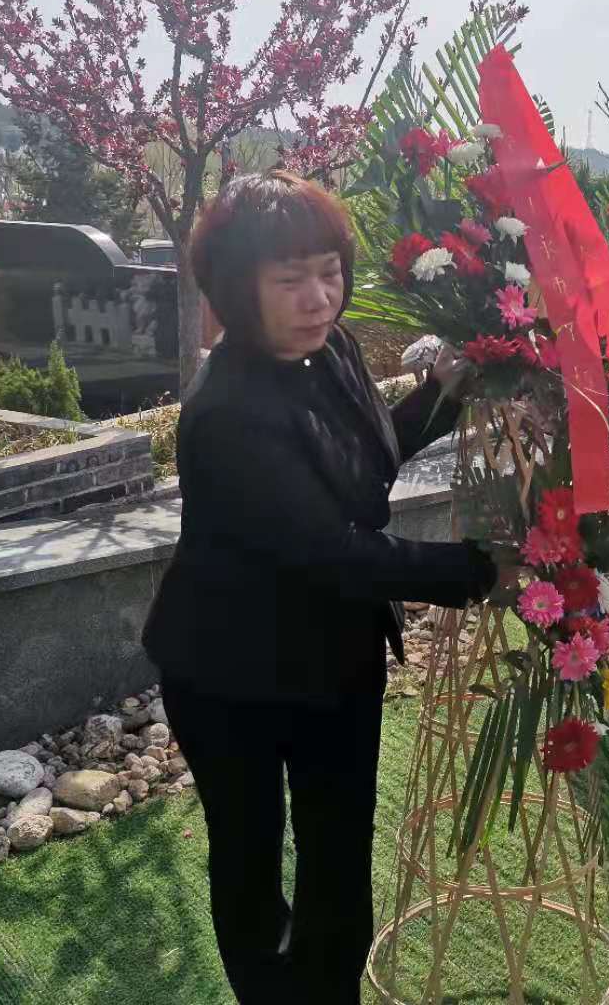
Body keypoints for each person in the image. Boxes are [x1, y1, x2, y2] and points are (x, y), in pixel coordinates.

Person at [142, 172, 498, 1004]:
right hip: (229, 672)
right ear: (238, 289)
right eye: (290, 279)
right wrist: (482, 569)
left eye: (329, 272)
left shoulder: (329, 350)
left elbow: (365, 460)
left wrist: (443, 393)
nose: (318, 298)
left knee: (339, 846)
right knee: (250, 854)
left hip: (334, 653)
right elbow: (333, 551)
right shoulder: (229, 411)